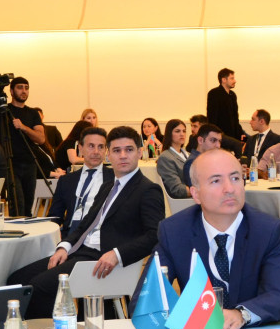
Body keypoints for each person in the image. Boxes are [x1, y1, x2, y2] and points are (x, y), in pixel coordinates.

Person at [9, 126, 164, 319]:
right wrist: (64, 247)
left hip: (103, 259)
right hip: (80, 251)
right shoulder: (108, 187)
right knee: (16, 279)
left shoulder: (148, 190)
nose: (123, 155)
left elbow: (154, 235)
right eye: (116, 150)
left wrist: (117, 254)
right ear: (109, 155)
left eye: (129, 149)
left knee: (39, 286)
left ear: (140, 153)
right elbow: (85, 225)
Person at [136, 148, 280, 329]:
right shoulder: (174, 231)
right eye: (216, 181)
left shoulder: (268, 230)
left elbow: (279, 298)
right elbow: (144, 300)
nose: (230, 189)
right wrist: (187, 319)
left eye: (235, 178)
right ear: (196, 194)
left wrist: (240, 314)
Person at [0, 77, 47, 216]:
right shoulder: (2, 110)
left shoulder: (32, 113)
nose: (24, 91)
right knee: (17, 204)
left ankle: (27, 234)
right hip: (10, 163)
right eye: (20, 87)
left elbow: (41, 138)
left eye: (26, 88)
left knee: (27, 206)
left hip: (29, 164)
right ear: (12, 91)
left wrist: (24, 127)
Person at [48, 127, 111, 234]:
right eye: (91, 146)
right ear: (80, 149)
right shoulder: (66, 181)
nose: (96, 152)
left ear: (106, 150)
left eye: (101, 147)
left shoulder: (115, 179)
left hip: (101, 237)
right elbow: (55, 217)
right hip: (70, 236)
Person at [206, 68, 247, 154]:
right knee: (236, 145)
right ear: (223, 80)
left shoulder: (232, 95)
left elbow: (235, 118)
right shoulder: (214, 93)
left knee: (248, 141)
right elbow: (212, 117)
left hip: (233, 133)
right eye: (232, 78)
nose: (235, 81)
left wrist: (241, 134)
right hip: (221, 134)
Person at [157, 119, 191, 200]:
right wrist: (201, 192)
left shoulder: (187, 154)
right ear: (169, 134)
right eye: (177, 131)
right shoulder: (165, 157)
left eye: (184, 131)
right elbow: (177, 190)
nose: (182, 134)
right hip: (183, 201)